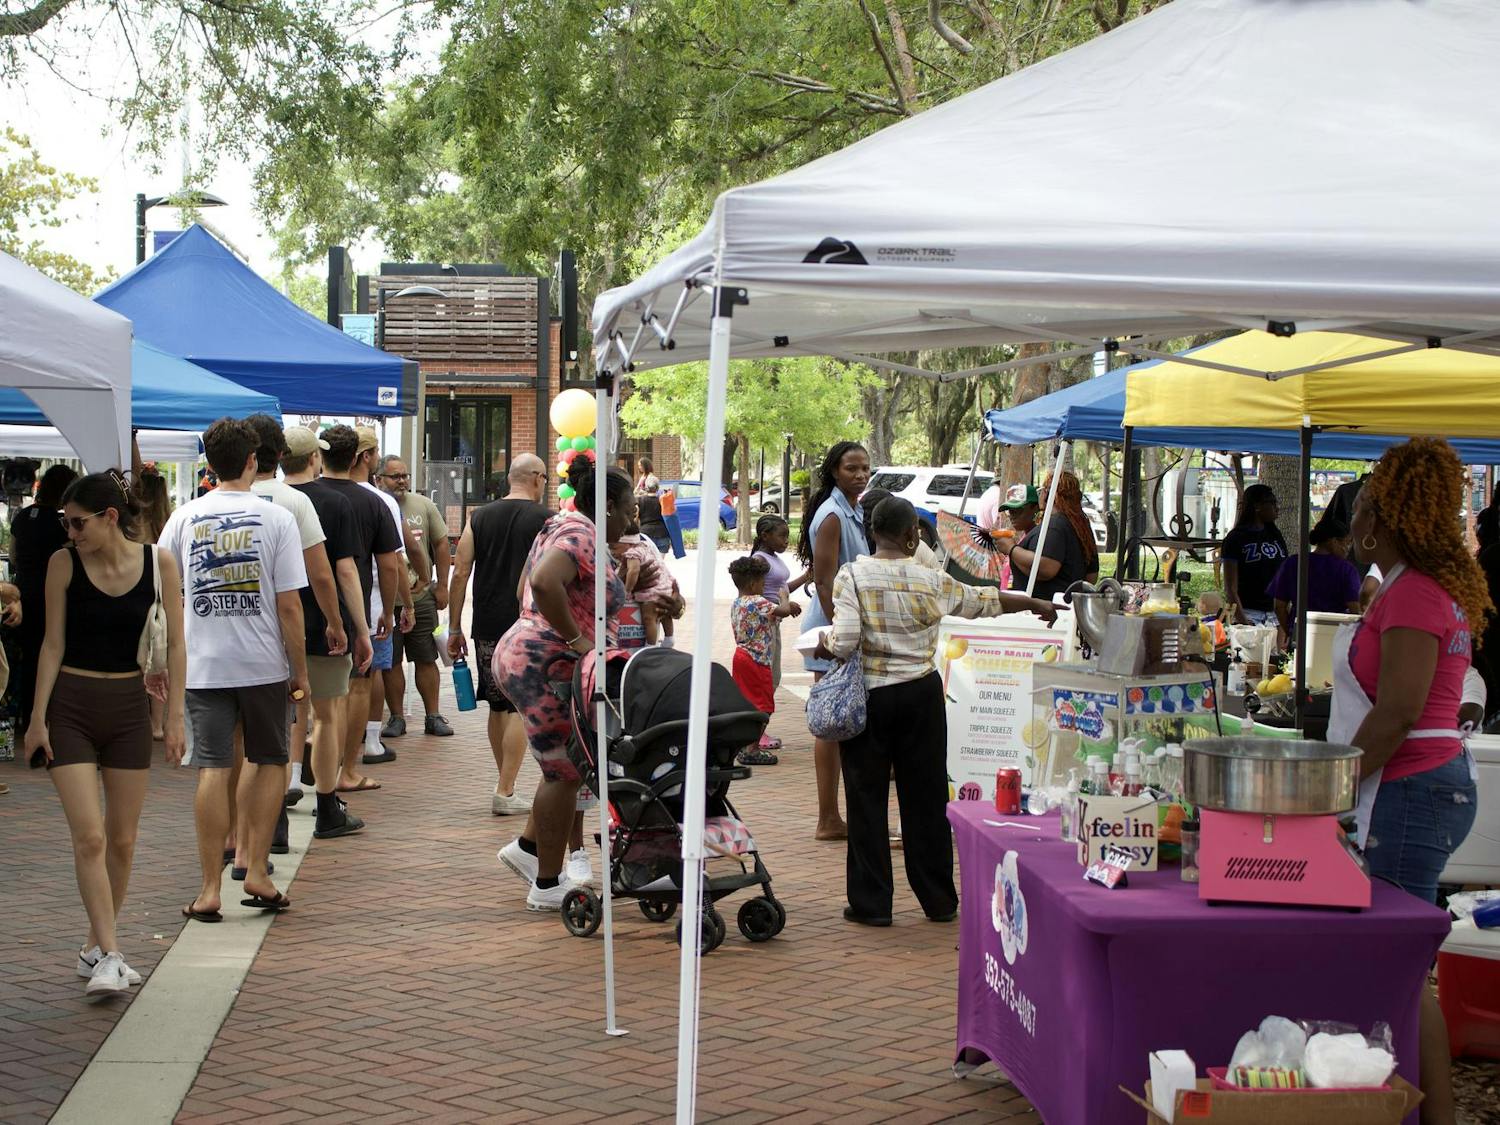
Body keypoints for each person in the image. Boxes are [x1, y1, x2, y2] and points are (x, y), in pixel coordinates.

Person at [1334, 437, 1488, 1125]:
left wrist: (1331, 786)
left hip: (1415, 791)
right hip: (1421, 788)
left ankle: (1426, 1113)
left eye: (1363, 505)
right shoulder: (1415, 588)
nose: (1353, 517)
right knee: (1404, 959)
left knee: (1400, 965)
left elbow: (1397, 712)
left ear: (1384, 519)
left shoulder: (1418, 594)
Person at [816, 497, 1055, 926]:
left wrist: (826, 645)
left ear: (873, 533)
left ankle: (872, 905)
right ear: (912, 536)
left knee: (866, 798)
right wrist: (1034, 604)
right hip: (922, 696)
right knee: (924, 797)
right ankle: (939, 899)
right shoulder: (931, 579)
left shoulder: (853, 574)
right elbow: (984, 601)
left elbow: (846, 637)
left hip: (870, 696)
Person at [25, 472, 186, 994]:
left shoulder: (159, 563)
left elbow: (178, 646)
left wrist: (175, 718)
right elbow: (52, 645)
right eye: (65, 524)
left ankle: (95, 946)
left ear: (109, 517)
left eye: (76, 524)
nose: (70, 533)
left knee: (122, 839)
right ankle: (112, 954)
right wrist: (36, 718)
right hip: (70, 706)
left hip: (127, 708)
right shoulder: (62, 564)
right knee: (89, 836)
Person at [159, 419, 308, 921]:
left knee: (212, 767)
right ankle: (258, 869)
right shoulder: (276, 519)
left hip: (203, 665)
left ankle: (208, 889)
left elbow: (166, 600)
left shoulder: (182, 518)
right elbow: (290, 606)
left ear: (208, 462)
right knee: (267, 761)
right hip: (263, 662)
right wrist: (299, 670)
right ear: (253, 460)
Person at [494, 458, 629, 911]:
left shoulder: (562, 525)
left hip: (532, 653)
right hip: (547, 662)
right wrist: (577, 638)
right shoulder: (580, 533)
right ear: (608, 505)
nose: (631, 520)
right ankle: (547, 886)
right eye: (628, 510)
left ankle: (530, 850)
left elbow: (523, 590)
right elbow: (541, 581)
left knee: (566, 765)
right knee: (564, 771)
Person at [247, 414, 347, 863]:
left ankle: (240, 842)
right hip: (291, 630)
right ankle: (304, 814)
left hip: (233, 639)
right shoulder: (293, 503)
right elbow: (322, 573)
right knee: (307, 720)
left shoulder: (211, 503)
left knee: (236, 747)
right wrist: (337, 622)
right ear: (283, 455)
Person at [281, 427, 373, 838]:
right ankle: (326, 803)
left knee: (285, 715)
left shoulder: (267, 499)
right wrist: (358, 627)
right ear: (313, 459)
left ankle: (283, 790)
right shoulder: (334, 503)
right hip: (320, 624)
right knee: (327, 715)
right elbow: (343, 569)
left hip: (271, 628)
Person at [448, 454, 550, 816]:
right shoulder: (546, 520)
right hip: (529, 624)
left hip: (487, 624)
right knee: (522, 706)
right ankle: (505, 789)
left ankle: (504, 783)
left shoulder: (480, 516)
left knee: (497, 703)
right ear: (537, 479)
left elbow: (460, 571)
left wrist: (454, 625)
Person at [317, 426, 402, 794]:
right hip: (357, 609)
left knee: (312, 699)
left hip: (300, 608)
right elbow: (389, 563)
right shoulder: (375, 502)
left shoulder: (301, 495)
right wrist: (388, 608)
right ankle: (345, 769)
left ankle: (305, 769)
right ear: (356, 458)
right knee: (356, 687)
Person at [798, 440, 872, 841]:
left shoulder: (853, 510)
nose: (859, 475)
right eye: (851, 469)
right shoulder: (831, 515)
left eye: (864, 468)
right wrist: (840, 637)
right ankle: (827, 818)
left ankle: (838, 815)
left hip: (845, 627)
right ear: (834, 471)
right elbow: (824, 581)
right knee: (829, 724)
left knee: (844, 721)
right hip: (831, 632)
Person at [375, 455, 453, 738]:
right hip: (386, 602)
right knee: (390, 662)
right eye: (395, 476)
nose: (402, 481)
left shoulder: (423, 505)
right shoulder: (375, 505)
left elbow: (441, 544)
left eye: (405, 476)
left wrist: (442, 585)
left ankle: (433, 716)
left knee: (425, 657)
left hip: (421, 599)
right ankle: (396, 718)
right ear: (379, 478)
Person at [354, 428, 413, 766]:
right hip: (375, 601)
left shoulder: (316, 493)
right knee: (372, 671)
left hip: (331, 603)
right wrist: (400, 605)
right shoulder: (382, 501)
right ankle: (371, 741)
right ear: (366, 457)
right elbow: (393, 561)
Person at [10, 464, 77, 733]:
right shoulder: (62, 523)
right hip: (53, 597)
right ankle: (50, 719)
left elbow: (13, 556)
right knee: (53, 655)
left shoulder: (23, 517)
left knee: (29, 658)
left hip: (23, 594)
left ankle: (29, 718)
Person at [728, 555, 794, 766]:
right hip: (757, 659)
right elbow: (782, 609)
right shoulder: (757, 601)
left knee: (747, 702)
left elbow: (765, 618)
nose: (765, 586)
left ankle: (743, 744)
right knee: (764, 706)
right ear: (752, 583)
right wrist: (784, 598)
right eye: (763, 582)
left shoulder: (738, 603)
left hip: (741, 656)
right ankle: (752, 748)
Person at [750, 514, 806, 753]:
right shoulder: (759, 561)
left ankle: (757, 731)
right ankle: (754, 735)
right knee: (766, 679)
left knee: (772, 677)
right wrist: (782, 608)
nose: (786, 540)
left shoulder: (770, 558)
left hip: (773, 624)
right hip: (763, 626)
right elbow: (754, 596)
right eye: (781, 536)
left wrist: (806, 578)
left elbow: (781, 590)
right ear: (765, 536)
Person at [996, 472, 1098, 601]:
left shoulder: (1054, 524)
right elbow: (1091, 577)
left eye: (1042, 491)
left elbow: (1047, 568)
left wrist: (1011, 548)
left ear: (1046, 495)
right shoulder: (1081, 527)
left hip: (1043, 610)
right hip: (1068, 606)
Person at [1266, 516, 1362, 649]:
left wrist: (1290, 631)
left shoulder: (1293, 563)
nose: (1347, 548)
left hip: (1300, 633)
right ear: (1333, 541)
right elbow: (1355, 610)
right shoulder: (1347, 569)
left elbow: (1279, 606)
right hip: (1335, 636)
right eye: (1346, 543)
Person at [1219, 483, 1287, 625]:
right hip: (1249, 612)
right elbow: (1230, 587)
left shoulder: (1274, 534)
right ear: (1257, 506)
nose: (1277, 508)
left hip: (1275, 614)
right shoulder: (1235, 538)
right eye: (1272, 503)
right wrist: (1243, 620)